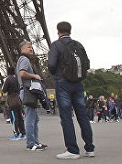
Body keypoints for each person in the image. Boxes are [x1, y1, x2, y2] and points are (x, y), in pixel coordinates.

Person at [48, 21, 95, 159]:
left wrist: (56, 73)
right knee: (83, 116)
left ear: (58, 32)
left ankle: (72, 150)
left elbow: (51, 64)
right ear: (70, 31)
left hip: (63, 82)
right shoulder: (78, 44)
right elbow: (87, 63)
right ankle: (90, 148)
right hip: (78, 83)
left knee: (66, 116)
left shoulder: (56, 45)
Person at [16, 40, 46, 152]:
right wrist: (35, 76)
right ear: (22, 49)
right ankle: (31, 143)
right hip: (27, 91)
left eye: (32, 47)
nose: (31, 49)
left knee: (34, 118)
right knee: (31, 118)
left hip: (25, 91)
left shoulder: (22, 59)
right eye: (29, 47)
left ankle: (35, 142)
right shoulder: (24, 59)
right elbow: (22, 73)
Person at [2, 66, 25, 140]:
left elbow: (4, 90)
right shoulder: (16, 78)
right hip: (17, 99)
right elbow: (19, 88)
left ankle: (16, 133)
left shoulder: (8, 79)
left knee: (14, 118)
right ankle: (23, 133)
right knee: (20, 117)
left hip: (11, 100)